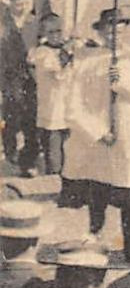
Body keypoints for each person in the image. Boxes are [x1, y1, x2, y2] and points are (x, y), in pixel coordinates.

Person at [60, 10, 130, 255]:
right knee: (97, 193)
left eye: (121, 30)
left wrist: (121, 82)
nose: (115, 36)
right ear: (100, 31)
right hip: (98, 141)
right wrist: (97, 132)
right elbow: (73, 104)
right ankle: (95, 236)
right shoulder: (85, 60)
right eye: (110, 30)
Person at [0, 0, 50, 172]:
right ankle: (10, 153)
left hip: (33, 69)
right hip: (9, 70)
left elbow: (49, 25)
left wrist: (41, 49)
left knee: (32, 113)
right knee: (11, 113)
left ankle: (29, 158)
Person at [25, 13, 73, 178]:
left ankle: (69, 176)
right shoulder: (41, 53)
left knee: (69, 145)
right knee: (53, 148)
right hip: (51, 107)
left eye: (59, 31)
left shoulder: (64, 49)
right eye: (50, 32)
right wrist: (68, 56)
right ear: (44, 34)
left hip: (68, 106)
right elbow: (58, 75)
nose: (55, 36)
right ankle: (54, 176)